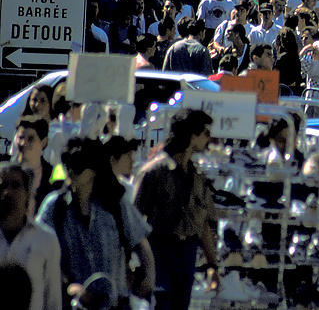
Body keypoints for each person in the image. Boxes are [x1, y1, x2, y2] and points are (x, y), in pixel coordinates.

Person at [38, 137, 155, 309]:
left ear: (93, 169)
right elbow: (41, 252)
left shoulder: (115, 205)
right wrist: (68, 286)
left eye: (78, 164)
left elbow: (141, 243)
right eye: (67, 163)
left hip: (115, 303)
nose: (71, 170)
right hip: (72, 304)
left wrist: (148, 278)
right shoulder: (55, 207)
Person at [133, 109, 218, 310]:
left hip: (187, 251)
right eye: (205, 133)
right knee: (160, 303)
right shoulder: (154, 171)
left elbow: (203, 222)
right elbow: (135, 220)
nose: (209, 139)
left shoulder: (197, 175)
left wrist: (212, 265)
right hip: (160, 249)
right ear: (191, 135)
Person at [0, 161, 63, 310]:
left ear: (27, 193)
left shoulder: (45, 239)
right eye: (2, 186)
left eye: (15, 185)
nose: (7, 192)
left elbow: (53, 300)